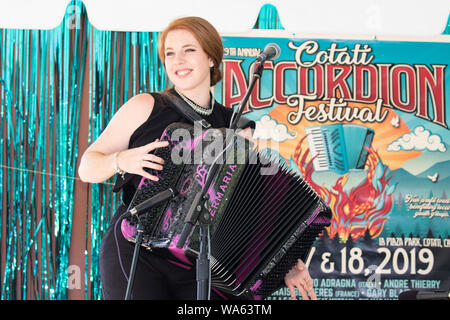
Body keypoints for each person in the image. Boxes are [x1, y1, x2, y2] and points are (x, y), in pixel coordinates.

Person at [78, 16, 316, 300]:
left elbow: (251, 207)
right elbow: (87, 167)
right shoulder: (146, 106)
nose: (177, 60)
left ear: (211, 58)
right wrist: (121, 160)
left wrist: (286, 264)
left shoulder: (239, 128)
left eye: (189, 50)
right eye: (169, 53)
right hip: (137, 246)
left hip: (203, 259)